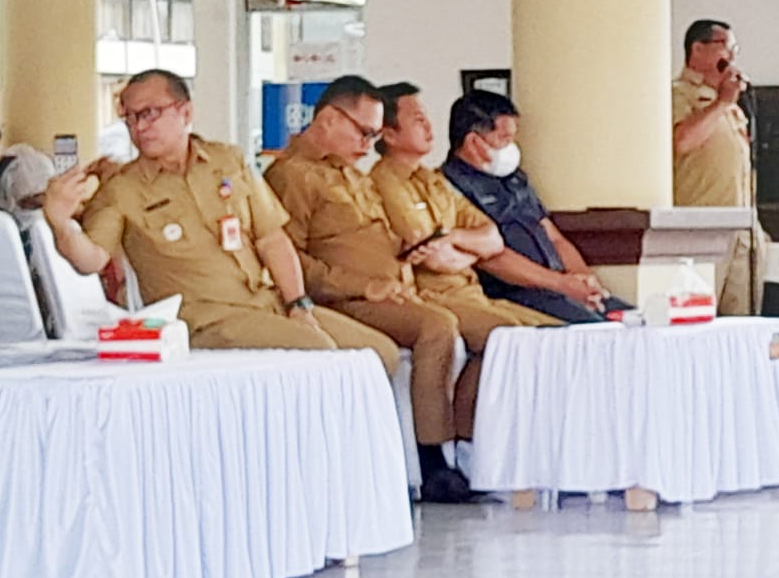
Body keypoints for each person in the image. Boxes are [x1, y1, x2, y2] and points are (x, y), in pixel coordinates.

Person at [41, 68, 404, 438]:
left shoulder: (227, 161)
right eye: (131, 117)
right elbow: (91, 260)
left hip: (266, 303)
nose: (139, 127)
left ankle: (357, 463)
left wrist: (299, 304)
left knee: (379, 353)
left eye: (150, 113)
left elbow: (272, 239)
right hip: (204, 318)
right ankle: (312, 465)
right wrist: (60, 223)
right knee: (318, 352)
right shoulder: (122, 188)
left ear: (185, 112)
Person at [263, 75, 481, 503]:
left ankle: (449, 451)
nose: (369, 145)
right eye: (363, 132)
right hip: (341, 299)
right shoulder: (293, 176)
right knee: (437, 327)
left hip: (393, 289)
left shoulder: (352, 174)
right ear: (327, 119)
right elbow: (291, 258)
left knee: (453, 322)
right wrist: (364, 285)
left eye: (375, 135)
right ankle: (433, 459)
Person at [369, 84, 559, 330]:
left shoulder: (433, 180)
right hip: (437, 298)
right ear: (389, 135)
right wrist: (475, 252)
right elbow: (434, 256)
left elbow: (493, 240)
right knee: (512, 339)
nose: (428, 125)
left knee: (553, 334)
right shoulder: (384, 183)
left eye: (426, 117)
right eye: (418, 120)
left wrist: (453, 237)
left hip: (474, 294)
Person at [441, 90, 629, 325]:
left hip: (559, 287)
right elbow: (490, 257)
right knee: (595, 332)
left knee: (634, 321)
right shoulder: (449, 187)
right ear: (473, 142)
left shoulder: (515, 179)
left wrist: (583, 279)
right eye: (504, 139)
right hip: (516, 293)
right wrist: (559, 283)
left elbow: (553, 236)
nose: (511, 147)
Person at [672, 18, 766, 315]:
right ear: (697, 49)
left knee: (742, 323)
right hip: (701, 229)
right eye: (725, 47)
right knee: (697, 320)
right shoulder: (678, 95)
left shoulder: (730, 104)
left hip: (742, 230)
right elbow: (682, 142)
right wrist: (721, 103)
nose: (732, 57)